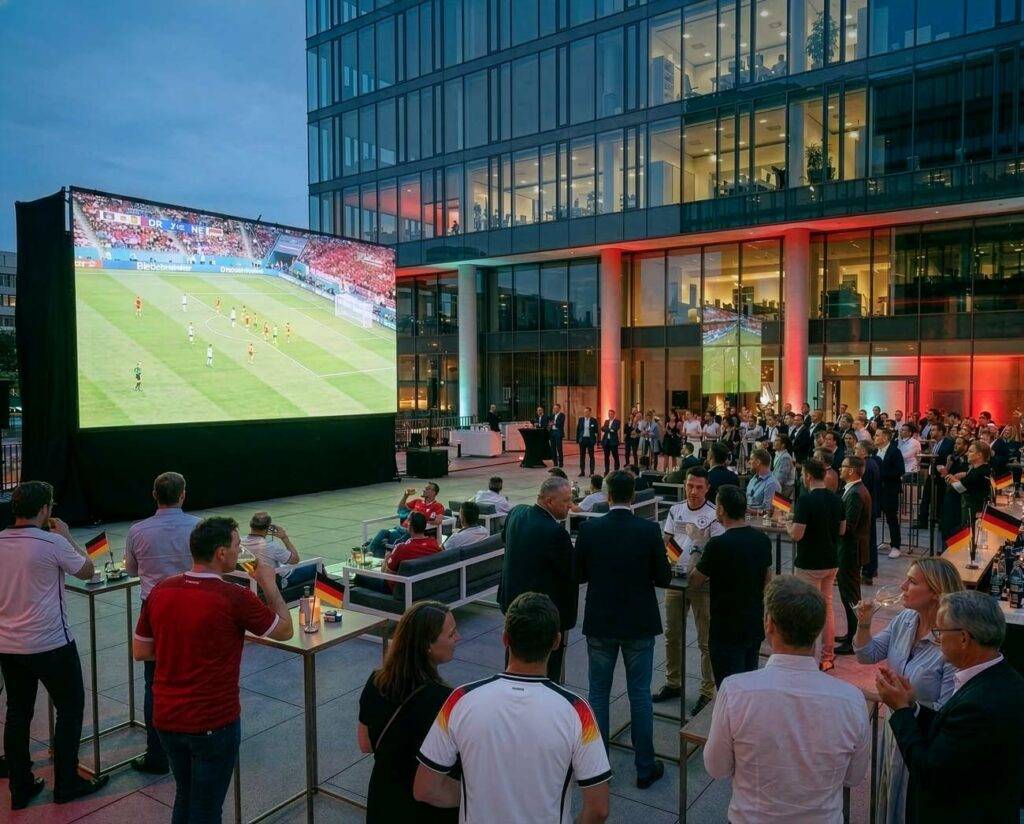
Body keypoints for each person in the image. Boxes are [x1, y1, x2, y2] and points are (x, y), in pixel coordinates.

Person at [133, 517, 292, 824]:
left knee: (185, 795)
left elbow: (141, 651)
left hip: (166, 718)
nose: (240, 551)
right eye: (236, 545)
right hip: (212, 721)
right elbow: (284, 630)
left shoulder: (161, 590)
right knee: (207, 809)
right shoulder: (234, 597)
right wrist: (269, 584)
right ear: (221, 553)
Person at [415, 593, 611, 823]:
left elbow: (425, 789)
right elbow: (599, 808)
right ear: (556, 641)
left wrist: (481, 798)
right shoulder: (578, 711)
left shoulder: (460, 700)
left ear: (505, 638)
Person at [704, 576, 870, 822]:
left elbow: (717, 768)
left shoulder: (735, 691)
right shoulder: (852, 701)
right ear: (818, 629)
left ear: (769, 624)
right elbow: (853, 777)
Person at [0, 481, 109, 808]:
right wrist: (69, 538)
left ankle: (20, 786)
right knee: (71, 707)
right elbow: (88, 570)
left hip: (8, 644)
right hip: (50, 642)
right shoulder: (52, 543)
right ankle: (66, 782)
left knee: (17, 713)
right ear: (45, 509)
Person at [876, 590, 1024, 824]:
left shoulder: (981, 703)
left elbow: (929, 771)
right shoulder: (1003, 678)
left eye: (940, 632)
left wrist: (901, 711)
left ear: (964, 638)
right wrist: (913, 707)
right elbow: (952, 733)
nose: (937, 639)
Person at [577, 470, 671, 789]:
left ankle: (596, 767)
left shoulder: (590, 530)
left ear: (607, 495)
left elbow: (579, 573)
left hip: (601, 621)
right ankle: (645, 766)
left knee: (598, 694)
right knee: (640, 695)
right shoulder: (648, 530)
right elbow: (663, 578)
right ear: (633, 497)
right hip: (638, 623)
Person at [854, 558, 963, 823]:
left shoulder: (950, 642)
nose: (902, 586)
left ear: (935, 592)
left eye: (912, 582)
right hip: (896, 729)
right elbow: (867, 654)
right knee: (889, 799)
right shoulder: (905, 619)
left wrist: (908, 702)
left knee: (910, 807)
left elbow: (947, 710)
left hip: (923, 740)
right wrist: (864, 623)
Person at [124, 471, 201, 775]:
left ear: (155, 496)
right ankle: (195, 745)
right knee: (196, 673)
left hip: (154, 609)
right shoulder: (197, 526)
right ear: (182, 495)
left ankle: (157, 754)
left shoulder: (138, 530)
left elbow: (131, 571)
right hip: (194, 605)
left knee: (153, 681)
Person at [357, 602, 460, 824]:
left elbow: (365, 743)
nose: (458, 638)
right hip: (424, 811)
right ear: (427, 646)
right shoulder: (445, 701)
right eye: (451, 634)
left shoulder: (376, 681)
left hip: (383, 800)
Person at [656, 467, 724, 713]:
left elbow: (717, 550)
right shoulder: (676, 510)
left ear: (707, 488)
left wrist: (699, 541)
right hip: (676, 581)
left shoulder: (715, 514)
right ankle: (673, 681)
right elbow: (667, 541)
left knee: (706, 640)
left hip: (702, 584)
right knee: (672, 634)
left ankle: (707, 690)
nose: (693, 491)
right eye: (690, 486)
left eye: (698, 487)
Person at [689, 484, 772, 685]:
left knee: (728, 686)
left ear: (721, 510)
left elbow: (694, 581)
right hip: (753, 623)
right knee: (749, 680)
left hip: (725, 628)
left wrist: (697, 544)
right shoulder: (762, 539)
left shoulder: (717, 545)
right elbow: (768, 580)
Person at [498, 477, 577, 683]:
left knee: (513, 660)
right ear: (549, 501)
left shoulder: (516, 513)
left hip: (513, 605)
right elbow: (572, 572)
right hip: (543, 615)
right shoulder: (555, 532)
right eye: (566, 500)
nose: (570, 505)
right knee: (547, 671)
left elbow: (505, 539)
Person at [787, 458, 845, 672]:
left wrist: (787, 525)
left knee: (807, 608)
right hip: (831, 560)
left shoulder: (805, 500)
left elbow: (797, 534)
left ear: (808, 476)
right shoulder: (836, 499)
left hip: (809, 562)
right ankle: (828, 655)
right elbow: (842, 530)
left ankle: (809, 656)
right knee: (827, 606)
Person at [835, 456, 871, 655]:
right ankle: (850, 633)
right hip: (850, 550)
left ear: (852, 471)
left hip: (851, 551)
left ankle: (852, 639)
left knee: (851, 597)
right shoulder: (853, 489)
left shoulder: (856, 493)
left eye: (843, 466)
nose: (840, 468)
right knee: (849, 595)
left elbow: (849, 526)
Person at [367, 483, 445, 558]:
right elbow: (401, 507)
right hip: (401, 529)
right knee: (383, 532)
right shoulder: (417, 501)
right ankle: (368, 551)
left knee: (381, 545)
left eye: (427, 489)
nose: (424, 490)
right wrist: (405, 495)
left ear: (434, 492)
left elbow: (438, 521)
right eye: (425, 488)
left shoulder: (437, 506)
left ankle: (373, 549)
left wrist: (418, 518)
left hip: (411, 532)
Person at [876, 428, 906, 559]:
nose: (874, 437)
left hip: (890, 489)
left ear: (885, 437)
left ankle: (896, 545)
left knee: (891, 518)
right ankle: (881, 541)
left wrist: (882, 474)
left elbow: (900, 470)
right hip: (877, 489)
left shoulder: (894, 451)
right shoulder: (875, 451)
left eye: (877, 435)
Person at [745, 448, 781, 513]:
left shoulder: (772, 483)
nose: (749, 462)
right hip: (748, 519)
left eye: (751, 459)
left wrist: (748, 511)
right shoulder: (753, 479)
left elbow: (769, 512)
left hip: (760, 521)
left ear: (758, 462)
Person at [576, 406, 599, 477]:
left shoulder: (593, 420)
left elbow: (596, 430)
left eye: (587, 412)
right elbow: (578, 430)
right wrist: (578, 440)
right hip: (582, 440)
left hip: (590, 440)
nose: (585, 413)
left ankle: (591, 472)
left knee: (591, 456)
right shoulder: (581, 419)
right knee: (582, 456)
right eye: (584, 412)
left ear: (590, 412)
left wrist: (591, 428)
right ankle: (582, 471)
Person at [772, 433, 796, 498]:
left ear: (783, 445)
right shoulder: (778, 454)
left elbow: (781, 478)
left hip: (784, 489)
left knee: (781, 508)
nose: (774, 442)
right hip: (780, 487)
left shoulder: (785, 457)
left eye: (776, 440)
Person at [600, 409, 621, 473]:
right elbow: (602, 428)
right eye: (609, 414)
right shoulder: (606, 421)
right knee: (606, 457)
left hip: (613, 442)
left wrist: (607, 429)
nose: (610, 415)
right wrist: (609, 430)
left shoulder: (617, 421)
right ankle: (606, 471)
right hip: (606, 442)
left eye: (611, 414)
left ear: (614, 414)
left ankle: (616, 471)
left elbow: (615, 429)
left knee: (615, 457)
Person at [549, 403, 567, 468]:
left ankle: (561, 463)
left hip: (558, 433)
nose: (555, 409)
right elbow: (550, 423)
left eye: (556, 408)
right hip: (552, 432)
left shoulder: (562, 415)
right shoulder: (552, 415)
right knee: (553, 448)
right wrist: (550, 424)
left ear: (559, 409)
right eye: (554, 408)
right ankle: (555, 463)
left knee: (559, 448)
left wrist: (554, 423)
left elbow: (561, 423)